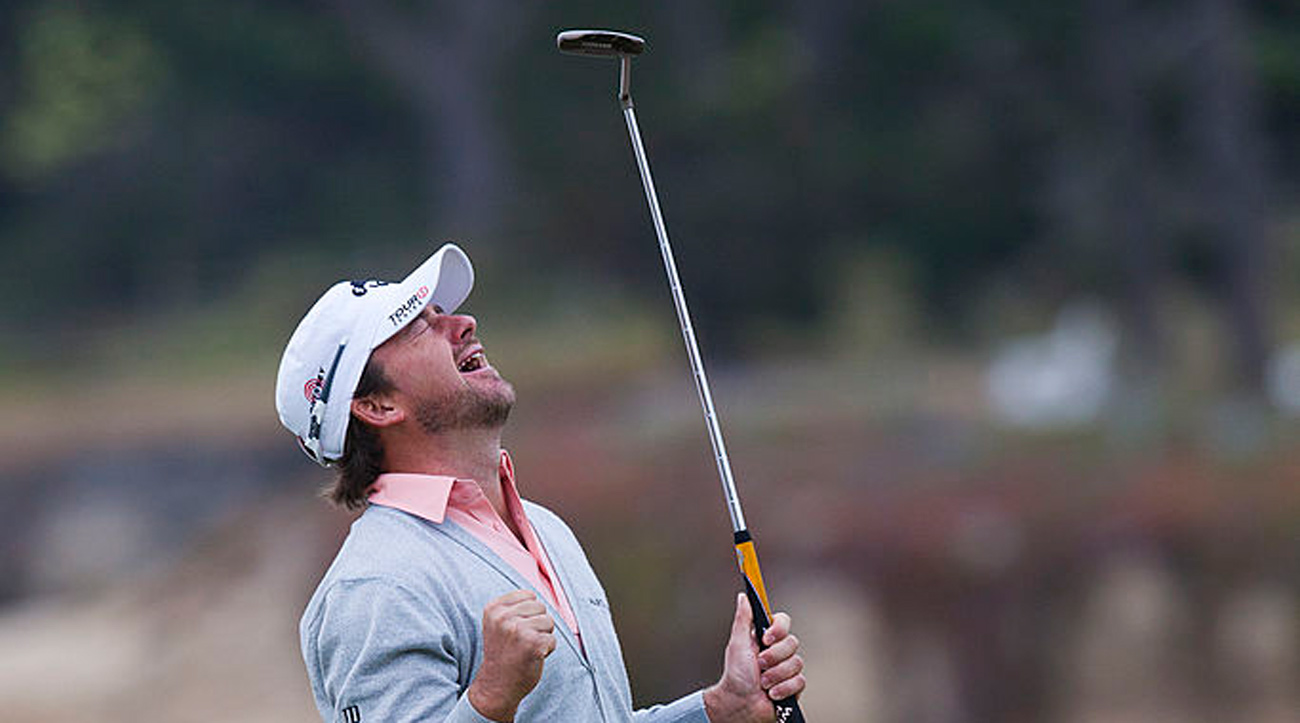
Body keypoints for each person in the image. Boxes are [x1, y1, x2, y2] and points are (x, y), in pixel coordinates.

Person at [276, 243, 805, 723]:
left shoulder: (547, 527)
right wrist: (489, 700)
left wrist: (717, 710)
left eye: (443, 313)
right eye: (418, 326)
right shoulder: (373, 588)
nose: (462, 323)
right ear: (376, 405)